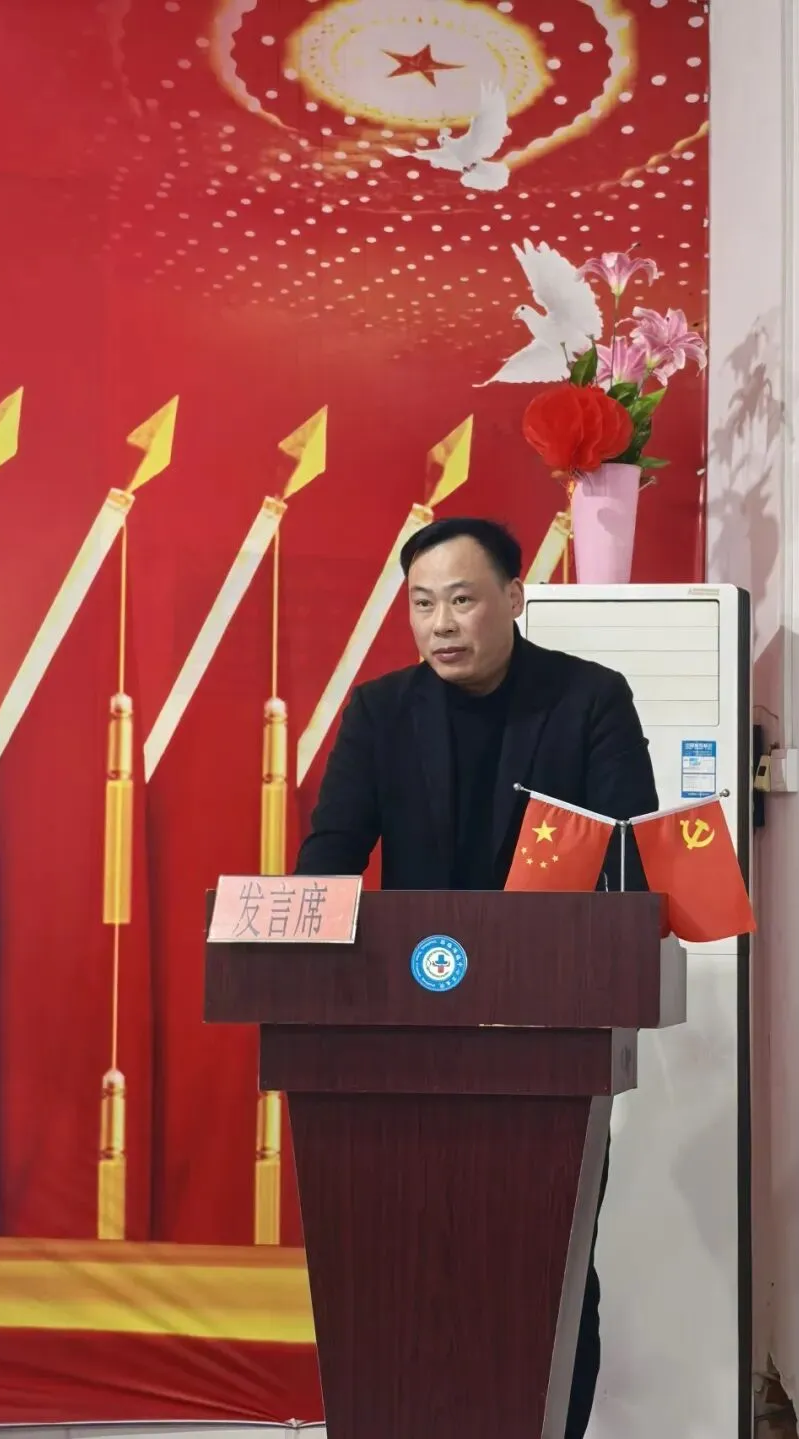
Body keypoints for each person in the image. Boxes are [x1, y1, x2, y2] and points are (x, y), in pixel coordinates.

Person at [295, 515, 657, 1439]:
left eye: (461, 599)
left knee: (549, 1264)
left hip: (549, 1041)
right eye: (422, 604)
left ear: (514, 597)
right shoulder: (380, 711)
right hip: (404, 1042)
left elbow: (633, 865)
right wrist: (297, 932)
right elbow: (331, 856)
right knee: (403, 1261)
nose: (441, 624)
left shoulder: (590, 700)